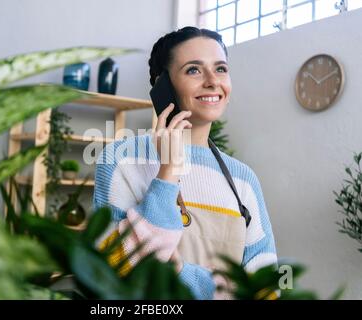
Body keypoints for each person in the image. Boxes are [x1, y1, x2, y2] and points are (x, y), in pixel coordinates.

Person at [92, 26, 277, 300]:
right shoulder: (121, 160)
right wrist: (167, 174)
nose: (213, 81)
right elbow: (113, 268)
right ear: (161, 85)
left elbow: (266, 286)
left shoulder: (243, 179)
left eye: (221, 69)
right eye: (194, 70)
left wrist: (184, 275)